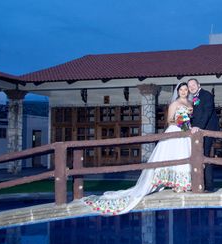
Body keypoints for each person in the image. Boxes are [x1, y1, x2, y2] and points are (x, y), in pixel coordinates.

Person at [83, 82, 193, 215]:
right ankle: (170, 182)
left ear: (188, 91)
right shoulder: (174, 104)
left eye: (185, 89)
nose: (183, 91)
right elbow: (169, 120)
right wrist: (181, 120)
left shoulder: (190, 104)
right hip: (175, 130)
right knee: (171, 156)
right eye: (181, 89)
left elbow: (190, 119)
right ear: (178, 91)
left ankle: (181, 184)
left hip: (186, 132)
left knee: (183, 156)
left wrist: (187, 123)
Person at [187, 78, 219, 191]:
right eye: (189, 86)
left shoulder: (206, 95)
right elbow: (197, 114)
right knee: (198, 156)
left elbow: (207, 113)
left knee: (205, 156)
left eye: (193, 85)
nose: (191, 87)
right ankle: (201, 183)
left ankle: (209, 186)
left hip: (207, 130)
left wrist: (198, 127)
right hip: (198, 131)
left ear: (198, 84)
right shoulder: (195, 97)